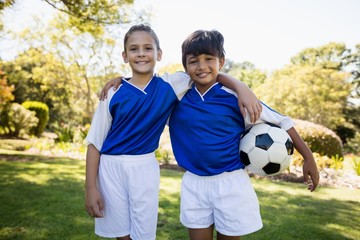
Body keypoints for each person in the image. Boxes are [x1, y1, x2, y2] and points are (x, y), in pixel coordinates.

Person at [85, 24, 262, 240]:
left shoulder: (173, 83)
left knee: (143, 234)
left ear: (159, 54)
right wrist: (90, 187)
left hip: (144, 166)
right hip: (110, 168)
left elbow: (208, 74)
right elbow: (94, 142)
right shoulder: (113, 92)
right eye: (134, 49)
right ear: (125, 55)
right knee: (121, 234)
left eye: (148, 48)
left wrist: (240, 86)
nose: (141, 53)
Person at [167, 29, 319, 240]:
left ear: (221, 61)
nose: (201, 66)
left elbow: (282, 121)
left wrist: (308, 157)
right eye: (193, 61)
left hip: (230, 183)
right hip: (194, 183)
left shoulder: (237, 99)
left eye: (208, 59)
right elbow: (145, 84)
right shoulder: (177, 97)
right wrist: (121, 79)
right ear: (185, 67)